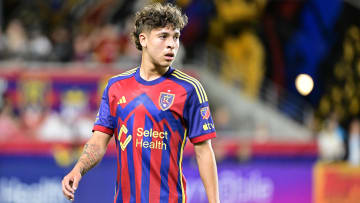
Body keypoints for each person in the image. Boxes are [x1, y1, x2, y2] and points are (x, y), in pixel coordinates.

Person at [62, 3, 220, 203]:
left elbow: (204, 151)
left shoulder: (189, 89)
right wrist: (78, 169)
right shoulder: (116, 87)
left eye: (176, 37)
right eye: (163, 36)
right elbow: (98, 142)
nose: (172, 44)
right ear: (143, 39)